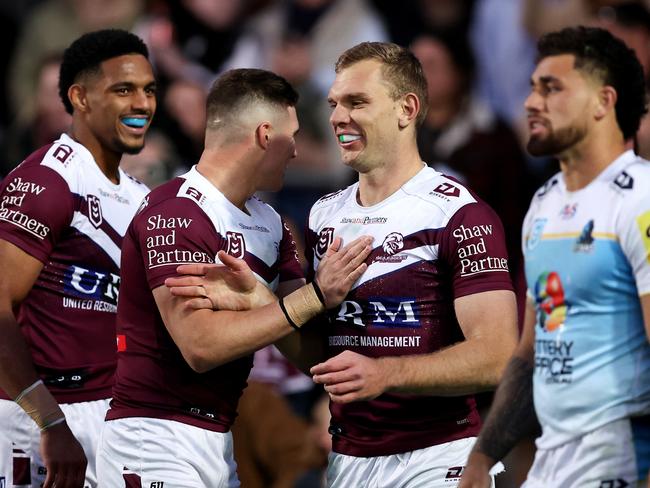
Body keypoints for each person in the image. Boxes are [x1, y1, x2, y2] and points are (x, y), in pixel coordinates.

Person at [168, 42, 519, 487]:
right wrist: (258, 300)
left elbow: (498, 356)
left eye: (357, 102)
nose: (337, 116)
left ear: (406, 109)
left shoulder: (459, 213)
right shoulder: (324, 215)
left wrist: (386, 372)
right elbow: (322, 355)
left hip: (437, 457)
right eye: (334, 103)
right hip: (347, 460)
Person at [96, 68, 372, 487]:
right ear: (265, 134)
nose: (296, 150)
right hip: (154, 437)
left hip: (220, 439)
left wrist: (261, 300)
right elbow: (201, 346)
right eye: (291, 134)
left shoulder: (273, 225)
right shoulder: (173, 211)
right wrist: (314, 295)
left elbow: (310, 354)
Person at [460, 26, 650, 487]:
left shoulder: (640, 195)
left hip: (622, 462)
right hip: (552, 461)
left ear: (604, 101)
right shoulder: (544, 203)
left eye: (552, 88)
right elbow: (531, 354)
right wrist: (483, 457)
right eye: (530, 88)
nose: (530, 102)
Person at [0, 29, 156, 488]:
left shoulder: (141, 198)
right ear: (80, 98)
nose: (142, 104)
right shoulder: (47, 181)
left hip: (109, 415)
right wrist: (49, 422)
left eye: (149, 90)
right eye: (123, 90)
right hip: (34, 420)